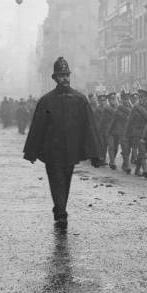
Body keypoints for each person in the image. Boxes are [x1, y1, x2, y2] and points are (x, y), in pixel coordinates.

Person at [23, 57, 102, 228]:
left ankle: (60, 208)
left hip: (71, 151)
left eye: (66, 74)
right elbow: (38, 127)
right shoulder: (46, 100)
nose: (65, 78)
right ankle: (60, 213)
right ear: (55, 78)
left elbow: (89, 127)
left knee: (65, 181)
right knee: (56, 179)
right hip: (52, 151)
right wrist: (31, 151)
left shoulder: (80, 99)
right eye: (61, 75)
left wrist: (95, 154)